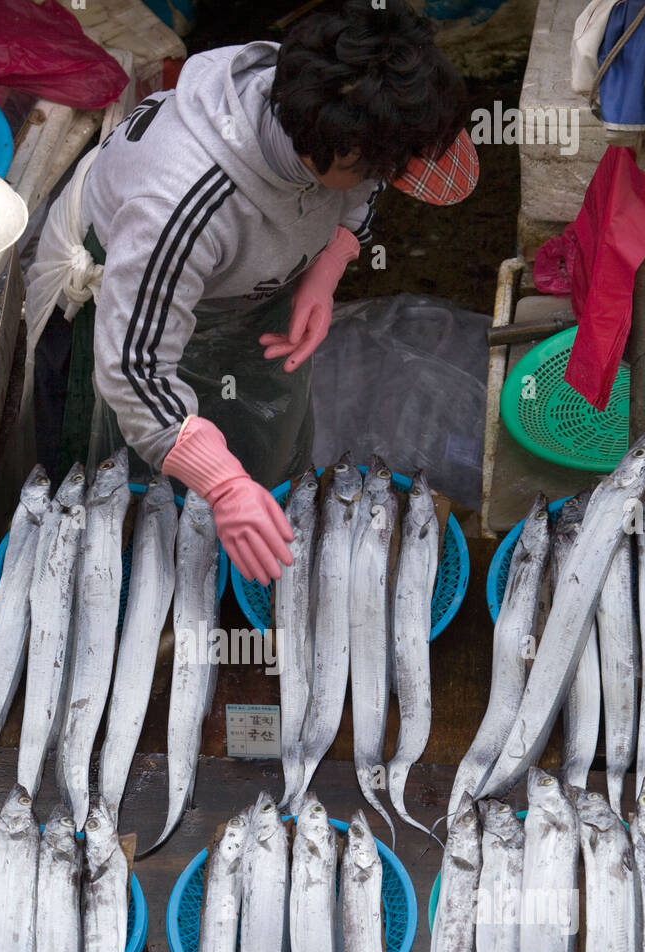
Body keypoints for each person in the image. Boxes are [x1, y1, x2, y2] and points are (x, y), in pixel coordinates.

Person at [26, 0, 478, 584]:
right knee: (130, 494)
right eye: (383, 168)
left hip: (236, 284)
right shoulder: (179, 208)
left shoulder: (335, 100)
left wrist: (331, 258)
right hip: (126, 312)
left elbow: (360, 188)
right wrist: (224, 484)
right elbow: (133, 371)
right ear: (332, 153)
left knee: (262, 433)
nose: (383, 181)